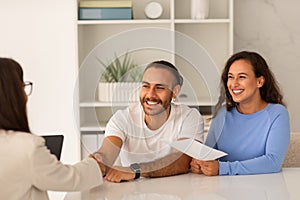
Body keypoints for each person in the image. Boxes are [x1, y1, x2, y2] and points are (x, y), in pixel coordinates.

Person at [0, 58, 105, 200]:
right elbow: (69, 179)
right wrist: (96, 165)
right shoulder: (26, 147)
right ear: (13, 95)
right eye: (22, 87)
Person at [93, 60, 204, 182]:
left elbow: (181, 161)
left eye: (160, 87)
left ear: (175, 92)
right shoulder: (122, 119)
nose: (150, 94)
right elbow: (106, 154)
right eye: (146, 86)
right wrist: (98, 161)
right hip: (133, 192)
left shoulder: (189, 117)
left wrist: (135, 170)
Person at [190, 51, 290, 176]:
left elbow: (272, 162)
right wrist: (200, 164)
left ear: (260, 81)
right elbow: (208, 154)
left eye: (242, 77)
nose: (234, 83)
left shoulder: (277, 113)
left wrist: (224, 168)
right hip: (223, 191)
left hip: (262, 190)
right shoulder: (223, 114)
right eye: (231, 77)